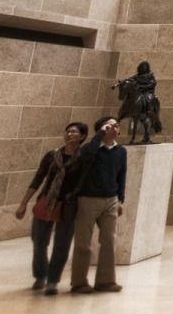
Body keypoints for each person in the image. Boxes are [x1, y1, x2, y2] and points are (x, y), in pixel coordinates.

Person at [15, 121, 87, 295]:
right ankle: (41, 274)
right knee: (39, 241)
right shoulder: (52, 156)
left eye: (74, 132)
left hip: (67, 206)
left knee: (61, 245)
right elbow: (38, 179)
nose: (69, 134)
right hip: (46, 202)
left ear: (82, 137)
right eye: (67, 131)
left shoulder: (84, 158)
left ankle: (53, 280)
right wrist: (23, 203)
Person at [69, 116, 126, 293]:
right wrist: (100, 134)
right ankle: (79, 282)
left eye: (116, 126)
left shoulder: (121, 151)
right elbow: (86, 155)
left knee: (109, 241)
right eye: (109, 126)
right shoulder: (90, 149)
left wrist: (120, 199)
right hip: (88, 199)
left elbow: (121, 176)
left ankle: (106, 281)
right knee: (83, 243)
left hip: (110, 200)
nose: (113, 129)